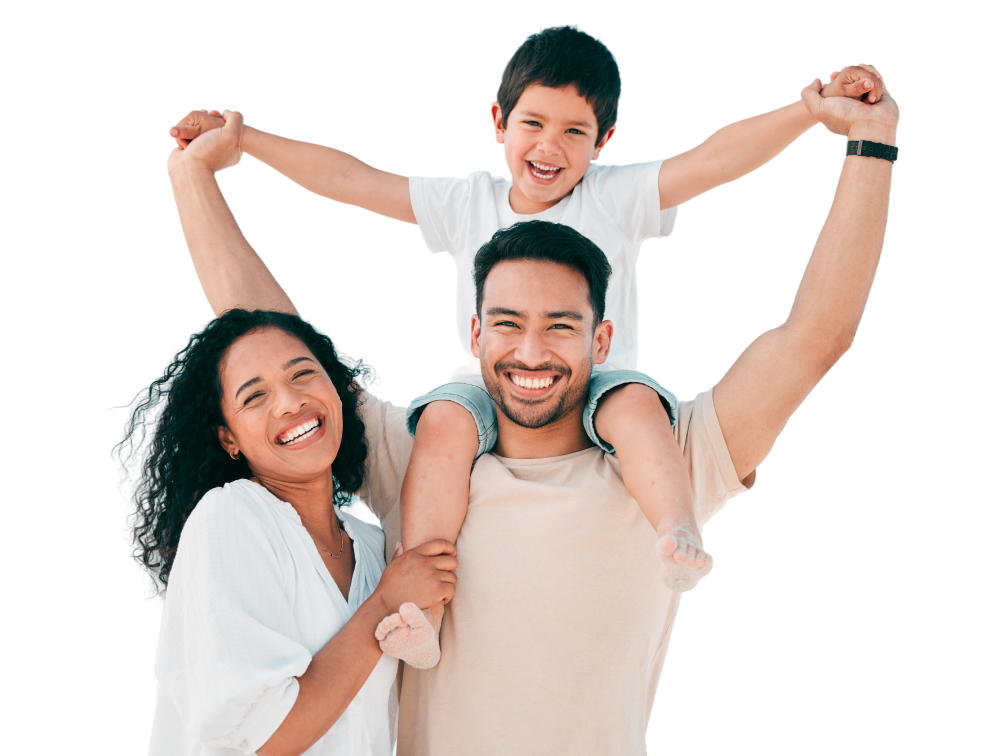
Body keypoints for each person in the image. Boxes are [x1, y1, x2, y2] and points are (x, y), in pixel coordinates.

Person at [165, 63, 899, 754]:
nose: (532, 353)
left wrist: (871, 145)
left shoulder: (671, 456)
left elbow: (816, 337)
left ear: (601, 337)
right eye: (509, 324)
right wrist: (192, 176)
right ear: (476, 333)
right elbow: (270, 345)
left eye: (561, 327)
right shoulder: (417, 456)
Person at [111, 309, 460, 755]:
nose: (290, 402)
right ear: (228, 438)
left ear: (334, 388)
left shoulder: (368, 540)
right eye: (253, 397)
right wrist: (386, 603)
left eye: (302, 374)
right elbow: (271, 738)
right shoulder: (231, 518)